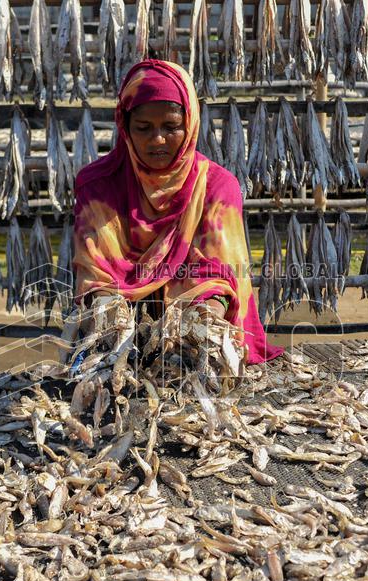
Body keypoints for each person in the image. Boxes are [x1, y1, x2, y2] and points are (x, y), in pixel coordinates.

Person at [71, 59, 284, 364]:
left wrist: (202, 328)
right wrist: (111, 325)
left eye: (171, 127)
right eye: (143, 128)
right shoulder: (97, 187)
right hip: (117, 329)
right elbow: (95, 274)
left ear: (190, 123)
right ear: (125, 125)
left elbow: (219, 276)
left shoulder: (217, 187)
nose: (157, 139)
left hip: (192, 325)